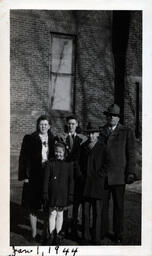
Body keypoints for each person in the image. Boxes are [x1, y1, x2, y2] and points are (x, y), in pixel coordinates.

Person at [99, 104, 136, 244]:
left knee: (119, 206)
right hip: (104, 176)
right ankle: (102, 231)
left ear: (118, 118)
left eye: (114, 115)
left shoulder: (126, 132)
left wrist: (130, 172)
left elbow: (131, 154)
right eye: (109, 115)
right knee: (103, 205)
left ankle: (118, 233)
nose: (111, 118)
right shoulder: (102, 131)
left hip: (119, 176)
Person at [18, 115, 55, 243]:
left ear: (49, 126)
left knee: (47, 205)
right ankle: (33, 233)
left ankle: (45, 233)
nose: (43, 126)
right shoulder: (29, 138)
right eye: (41, 124)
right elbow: (23, 158)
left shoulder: (53, 139)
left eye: (45, 124)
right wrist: (24, 176)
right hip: (33, 176)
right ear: (37, 125)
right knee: (32, 205)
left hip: (48, 176)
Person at [57, 115, 86, 238]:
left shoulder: (83, 139)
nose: (71, 126)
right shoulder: (61, 137)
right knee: (64, 201)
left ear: (77, 125)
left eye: (73, 123)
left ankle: (74, 227)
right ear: (67, 124)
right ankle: (63, 227)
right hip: (65, 174)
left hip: (77, 175)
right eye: (69, 123)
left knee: (76, 202)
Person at [80, 122, 108, 245]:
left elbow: (107, 165)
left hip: (97, 184)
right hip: (86, 184)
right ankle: (85, 237)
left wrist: (99, 176)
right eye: (89, 133)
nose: (91, 136)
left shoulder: (103, 147)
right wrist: (81, 175)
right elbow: (79, 164)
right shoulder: (84, 147)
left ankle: (96, 238)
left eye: (93, 133)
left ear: (98, 134)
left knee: (97, 212)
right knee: (86, 212)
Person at [43, 142, 74, 245]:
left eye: (60, 152)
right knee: (52, 213)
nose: (58, 154)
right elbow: (46, 180)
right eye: (56, 152)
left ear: (64, 153)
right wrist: (45, 193)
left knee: (60, 214)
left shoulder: (68, 165)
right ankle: (51, 234)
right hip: (52, 193)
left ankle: (58, 234)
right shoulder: (50, 164)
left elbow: (71, 181)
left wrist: (70, 194)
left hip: (63, 194)